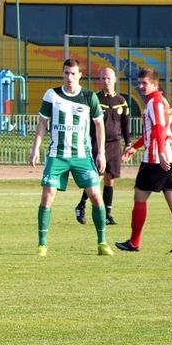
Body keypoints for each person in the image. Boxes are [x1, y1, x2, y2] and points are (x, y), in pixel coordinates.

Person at [29, 58, 114, 257]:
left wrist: (101, 153)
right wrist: (35, 148)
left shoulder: (89, 97)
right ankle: (42, 244)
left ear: (80, 75)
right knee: (47, 196)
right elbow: (42, 123)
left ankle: (102, 242)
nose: (69, 77)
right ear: (63, 73)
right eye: (66, 73)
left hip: (82, 156)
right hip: (57, 155)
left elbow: (99, 126)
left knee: (95, 196)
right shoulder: (52, 95)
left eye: (73, 73)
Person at [116, 68, 172, 253]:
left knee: (139, 197)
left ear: (154, 84)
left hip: (155, 160)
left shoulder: (154, 102)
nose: (140, 86)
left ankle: (134, 242)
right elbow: (152, 133)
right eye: (139, 83)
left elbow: (158, 129)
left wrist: (161, 153)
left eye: (144, 83)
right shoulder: (162, 101)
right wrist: (135, 147)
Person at [75, 67, 130, 225]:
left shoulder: (121, 101)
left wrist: (128, 143)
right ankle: (81, 205)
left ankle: (107, 214)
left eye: (109, 78)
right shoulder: (95, 99)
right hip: (98, 143)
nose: (106, 81)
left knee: (110, 179)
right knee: (96, 177)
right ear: (100, 80)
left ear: (115, 80)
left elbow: (125, 124)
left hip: (115, 144)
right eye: (103, 78)